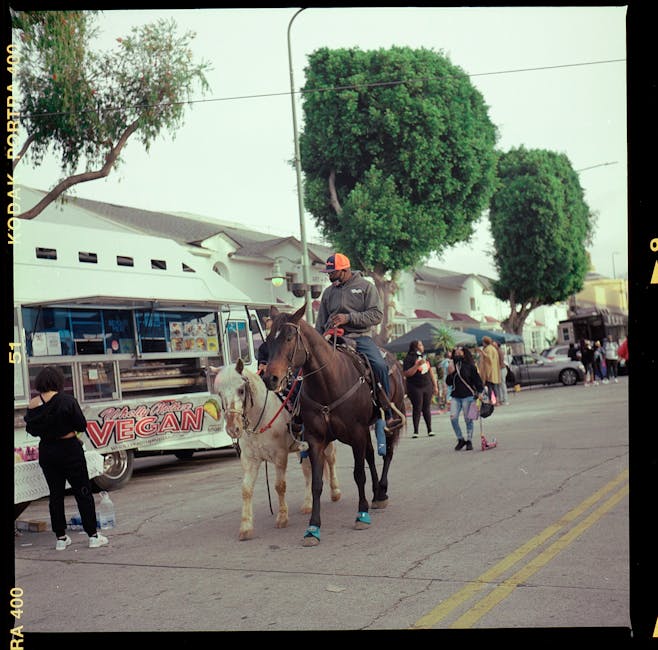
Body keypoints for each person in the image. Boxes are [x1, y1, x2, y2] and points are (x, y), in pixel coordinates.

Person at [23, 366, 109, 551]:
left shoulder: (33, 404)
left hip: (47, 451)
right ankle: (93, 535)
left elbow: (31, 429)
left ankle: (61, 538)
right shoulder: (67, 400)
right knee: (83, 492)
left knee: (55, 495)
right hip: (70, 449)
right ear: (58, 381)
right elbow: (81, 424)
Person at [315, 253, 402, 431]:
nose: (329, 275)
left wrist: (348, 318)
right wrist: (316, 341)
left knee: (379, 365)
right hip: (332, 338)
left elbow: (377, 315)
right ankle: (303, 415)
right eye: (328, 272)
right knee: (309, 366)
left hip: (359, 338)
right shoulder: (328, 292)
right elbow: (320, 323)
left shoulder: (366, 287)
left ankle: (387, 412)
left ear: (345, 270)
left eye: (332, 272)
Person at [445, 346, 485, 451]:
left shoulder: (470, 366)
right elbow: (449, 382)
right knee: (453, 418)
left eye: (460, 350)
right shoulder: (452, 365)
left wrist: (480, 392)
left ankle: (469, 440)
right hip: (455, 396)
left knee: (468, 419)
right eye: (456, 350)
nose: (457, 351)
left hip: (468, 396)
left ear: (464, 352)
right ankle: (460, 439)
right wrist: (450, 373)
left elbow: (477, 380)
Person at [402, 340, 438, 438]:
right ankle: (416, 431)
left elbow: (430, 371)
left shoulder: (423, 356)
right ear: (415, 347)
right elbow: (406, 373)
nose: (423, 346)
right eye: (421, 345)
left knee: (426, 408)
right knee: (417, 407)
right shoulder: (409, 358)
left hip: (427, 385)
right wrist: (416, 365)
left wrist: (435, 385)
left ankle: (430, 430)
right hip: (415, 386)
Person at [478, 335, 501, 405]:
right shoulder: (492, 349)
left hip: (489, 372)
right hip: (492, 371)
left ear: (485, 342)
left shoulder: (489, 349)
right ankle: (496, 401)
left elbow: (489, 359)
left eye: (483, 342)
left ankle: (492, 401)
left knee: (490, 387)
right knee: (493, 387)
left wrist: (482, 353)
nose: (482, 343)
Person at [496, 341, 510, 406]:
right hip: (501, 369)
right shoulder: (497, 351)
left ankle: (505, 400)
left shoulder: (499, 351)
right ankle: (502, 399)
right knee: (500, 385)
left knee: (502, 384)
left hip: (501, 369)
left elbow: (501, 361)